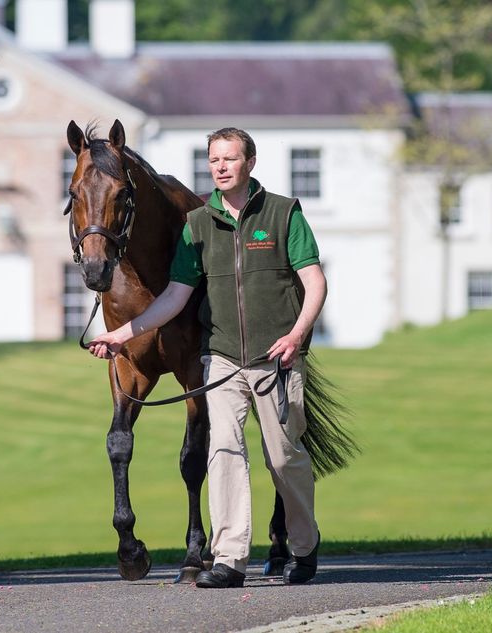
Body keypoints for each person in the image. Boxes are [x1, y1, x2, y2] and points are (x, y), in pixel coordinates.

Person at [88, 128, 326, 589]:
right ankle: (230, 557)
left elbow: (314, 283)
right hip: (221, 361)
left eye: (229, 159)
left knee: (284, 457)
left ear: (249, 162)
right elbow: (174, 297)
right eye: (214, 159)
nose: (220, 167)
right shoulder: (198, 225)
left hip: (274, 358)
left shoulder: (282, 214)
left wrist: (296, 336)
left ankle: (303, 544)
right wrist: (121, 333)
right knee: (223, 451)